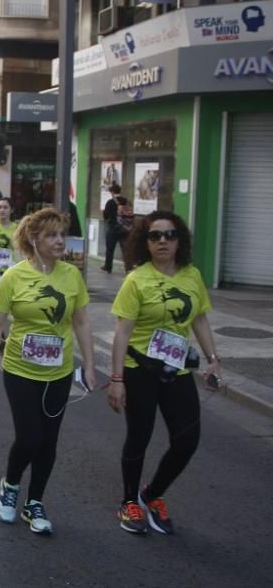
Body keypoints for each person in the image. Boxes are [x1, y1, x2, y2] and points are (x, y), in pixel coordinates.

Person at [0, 207, 96, 535]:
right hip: (20, 369)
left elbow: (82, 321)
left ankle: (35, 503)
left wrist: (89, 363)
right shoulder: (14, 276)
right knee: (30, 437)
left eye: (62, 234)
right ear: (34, 239)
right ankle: (10, 485)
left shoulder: (71, 276)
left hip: (58, 372)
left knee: (49, 442)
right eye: (52, 235)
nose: (60, 241)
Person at [108, 211, 222, 536]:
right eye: (155, 236)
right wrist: (116, 380)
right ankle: (129, 501)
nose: (163, 241)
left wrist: (213, 359)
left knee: (187, 440)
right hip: (139, 370)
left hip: (177, 369)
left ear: (179, 240)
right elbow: (121, 333)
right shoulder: (136, 279)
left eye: (170, 235)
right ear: (145, 242)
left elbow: (199, 319)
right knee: (139, 437)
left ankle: (152, 494)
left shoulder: (191, 276)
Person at [101, 184, 123, 273]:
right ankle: (129, 267)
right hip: (124, 228)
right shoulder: (126, 201)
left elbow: (105, 216)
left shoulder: (110, 202)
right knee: (125, 249)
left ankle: (108, 266)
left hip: (113, 227)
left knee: (110, 248)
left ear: (112, 192)